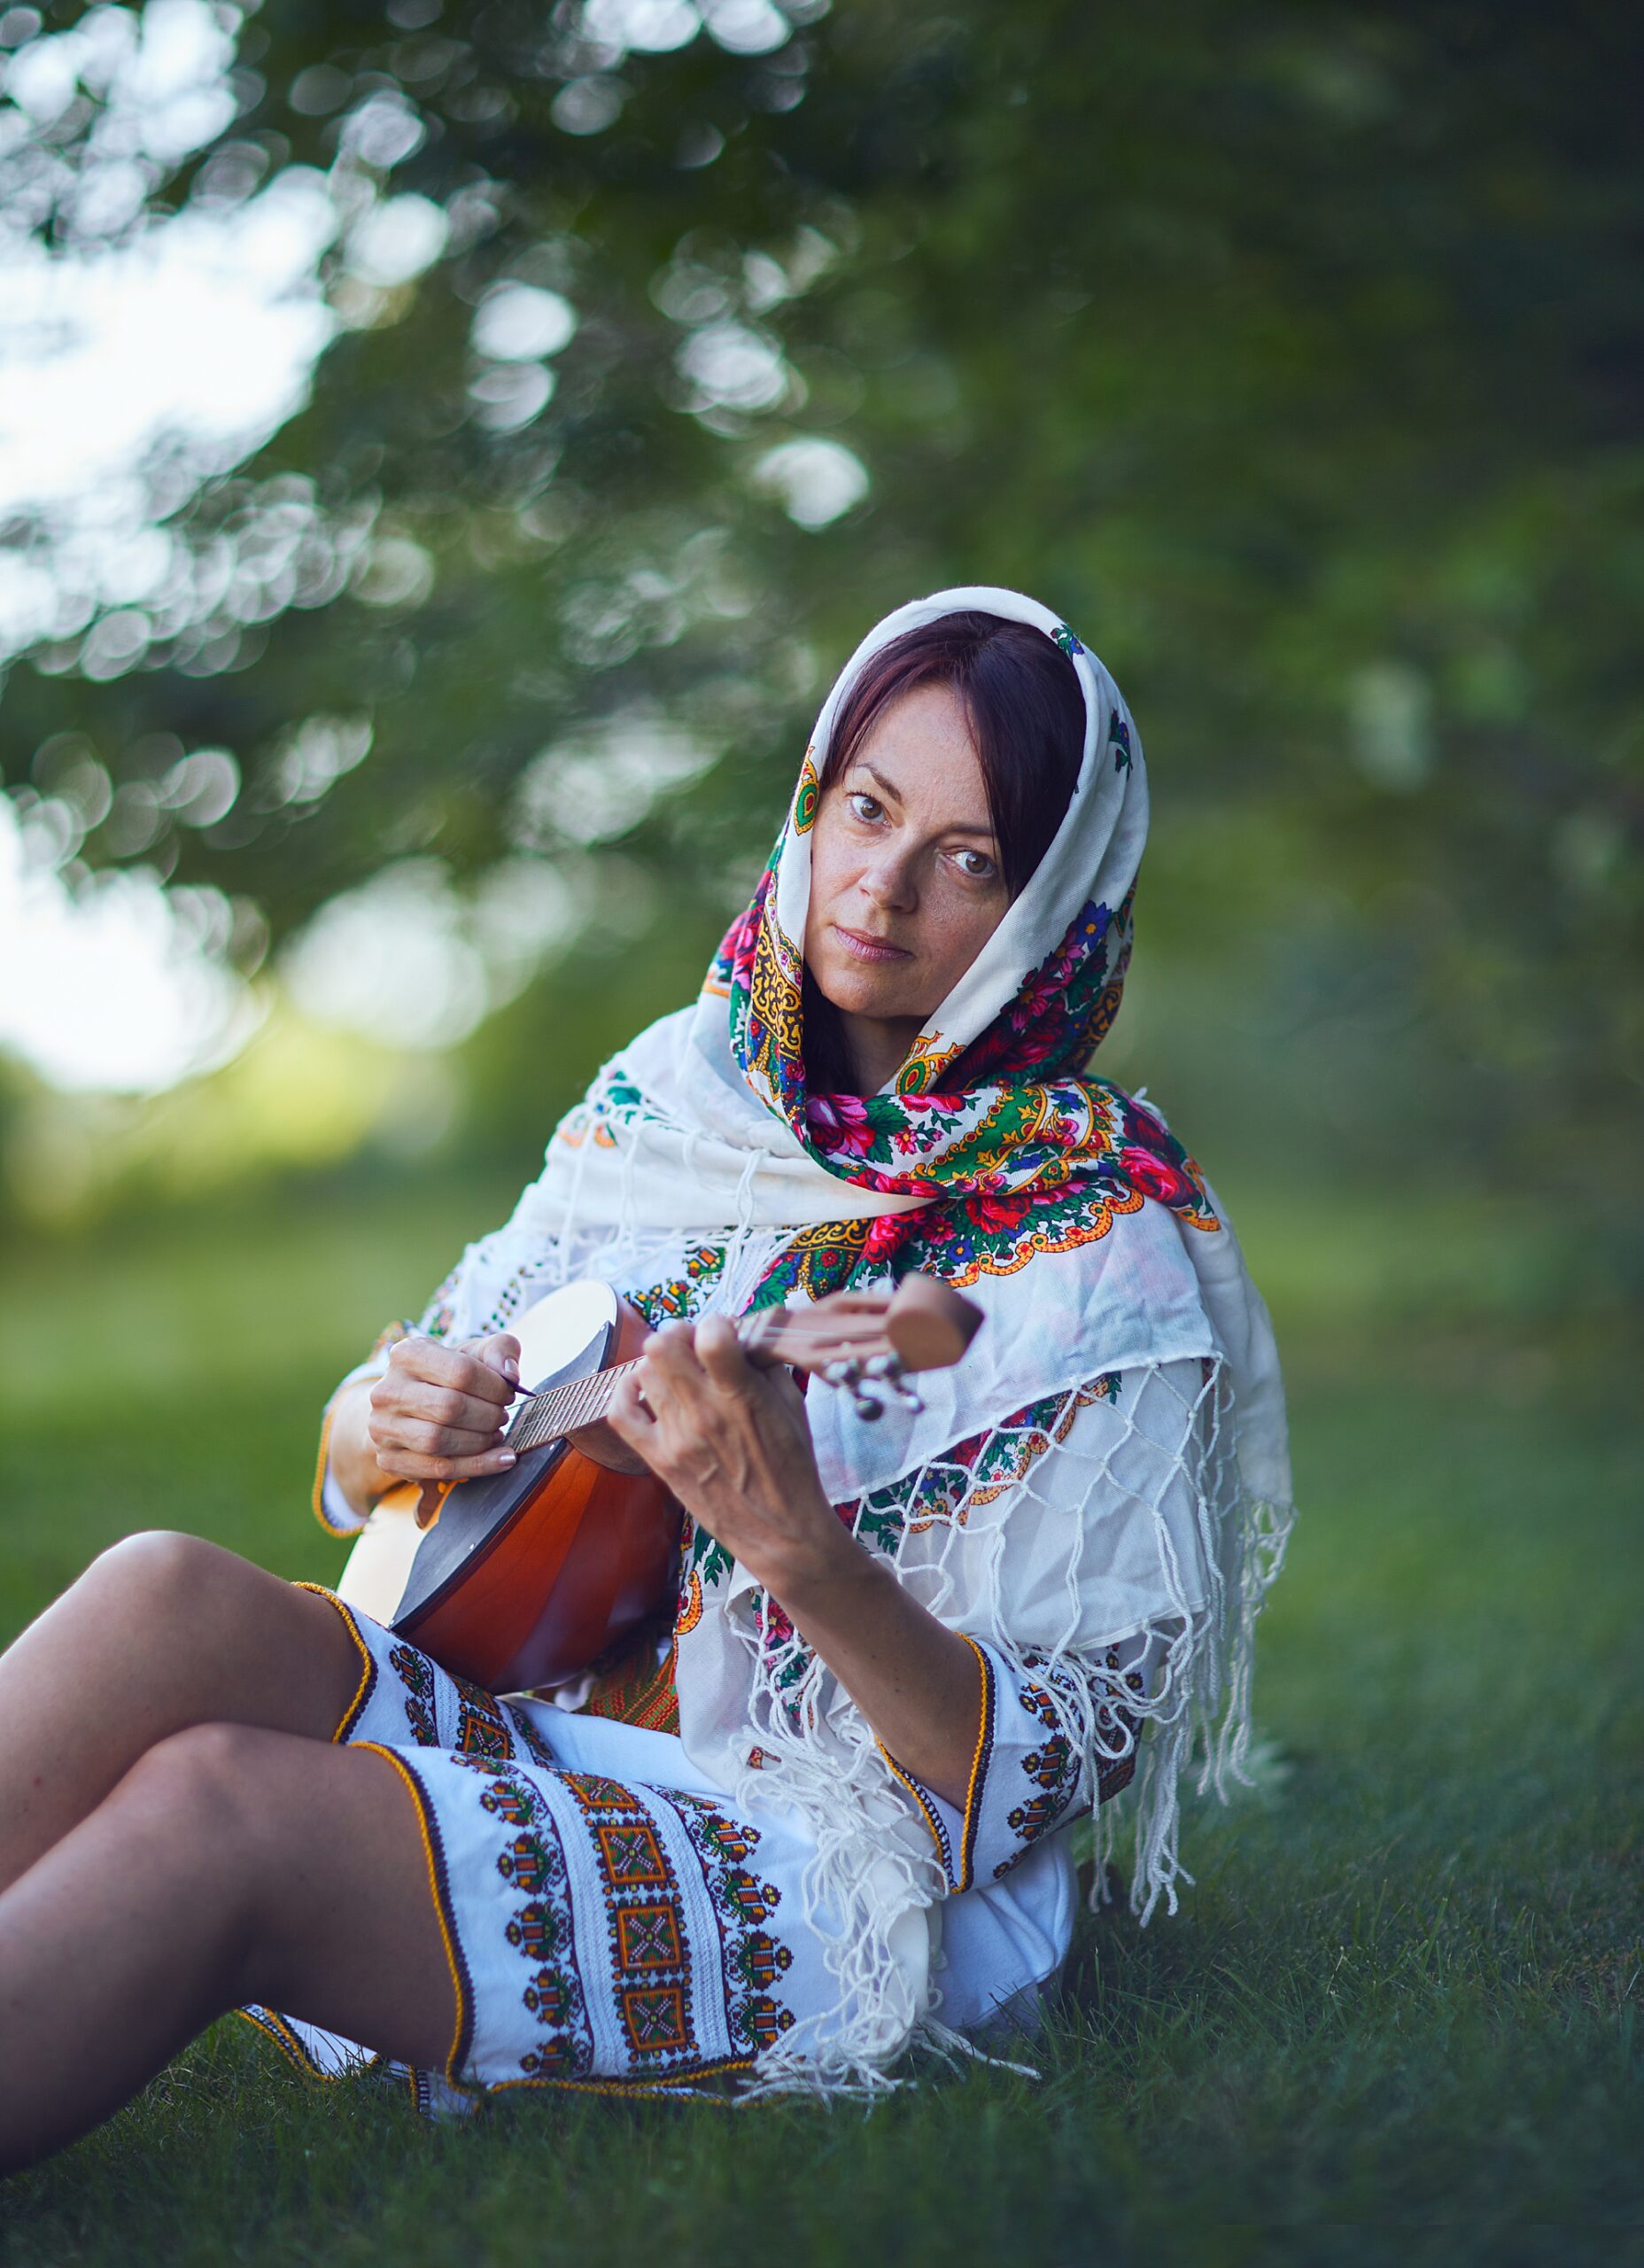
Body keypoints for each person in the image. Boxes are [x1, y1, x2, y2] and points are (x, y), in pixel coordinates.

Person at [0, 586, 1291, 2161]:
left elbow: (1006, 1789)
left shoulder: (1095, 1254)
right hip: (542, 1718)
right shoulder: (673, 1091)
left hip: (834, 1853)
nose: (877, 886)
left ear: (1051, 908)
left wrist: (793, 1542)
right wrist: (376, 1414)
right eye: (865, 810)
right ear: (814, 804)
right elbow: (395, 1426)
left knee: (223, 1810)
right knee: (162, 1595)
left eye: (968, 860)